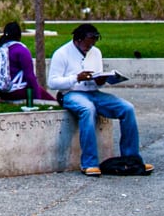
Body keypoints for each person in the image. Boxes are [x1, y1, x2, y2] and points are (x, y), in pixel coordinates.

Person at [48, 23, 152, 176]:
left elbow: (96, 77)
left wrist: (101, 80)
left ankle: (131, 159)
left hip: (93, 91)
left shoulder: (95, 52)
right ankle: (89, 163)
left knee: (126, 108)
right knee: (87, 109)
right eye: (86, 45)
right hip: (70, 93)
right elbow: (52, 82)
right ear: (77, 40)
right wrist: (76, 78)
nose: (89, 48)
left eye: (92, 45)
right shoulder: (62, 54)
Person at [0, 21, 53, 106]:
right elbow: (30, 77)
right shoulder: (21, 50)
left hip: (0, 91)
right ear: (19, 35)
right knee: (51, 100)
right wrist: (37, 97)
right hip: (14, 92)